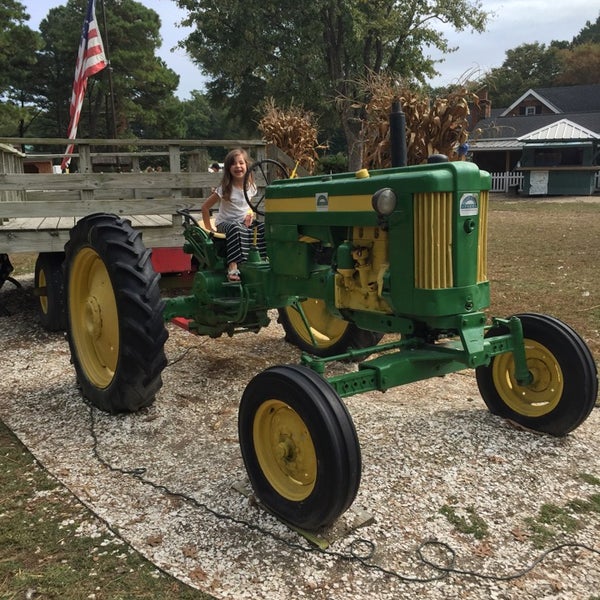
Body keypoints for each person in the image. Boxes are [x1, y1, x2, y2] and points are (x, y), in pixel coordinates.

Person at [201, 148, 267, 282]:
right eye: (233, 164)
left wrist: (250, 213)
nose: (238, 166)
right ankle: (233, 266)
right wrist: (209, 229)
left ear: (247, 165)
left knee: (262, 228)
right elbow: (205, 207)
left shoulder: (251, 186)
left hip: (243, 223)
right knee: (237, 228)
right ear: (228, 168)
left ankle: (262, 261)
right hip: (225, 224)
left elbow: (248, 206)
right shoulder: (225, 188)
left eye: (241, 163)